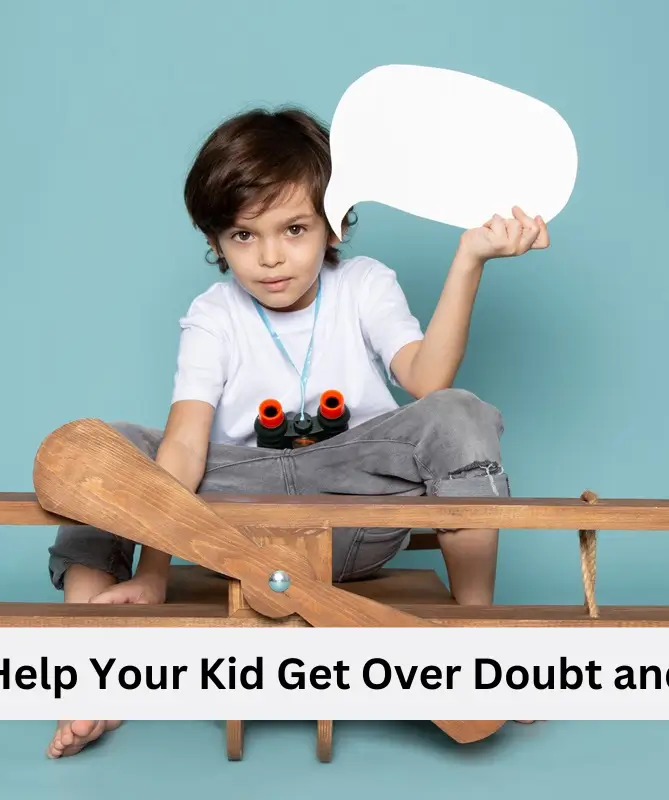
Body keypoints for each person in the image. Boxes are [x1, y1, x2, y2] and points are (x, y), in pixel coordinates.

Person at [44, 105, 549, 758]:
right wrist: (156, 569)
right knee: (102, 452)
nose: (270, 257)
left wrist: (470, 258)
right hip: (237, 525)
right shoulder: (213, 315)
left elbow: (428, 379)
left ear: (333, 224)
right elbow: (186, 444)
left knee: (459, 412)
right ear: (216, 240)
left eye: (294, 229)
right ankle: (92, 671)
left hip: (358, 507)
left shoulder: (365, 285)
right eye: (243, 236)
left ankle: (476, 646)